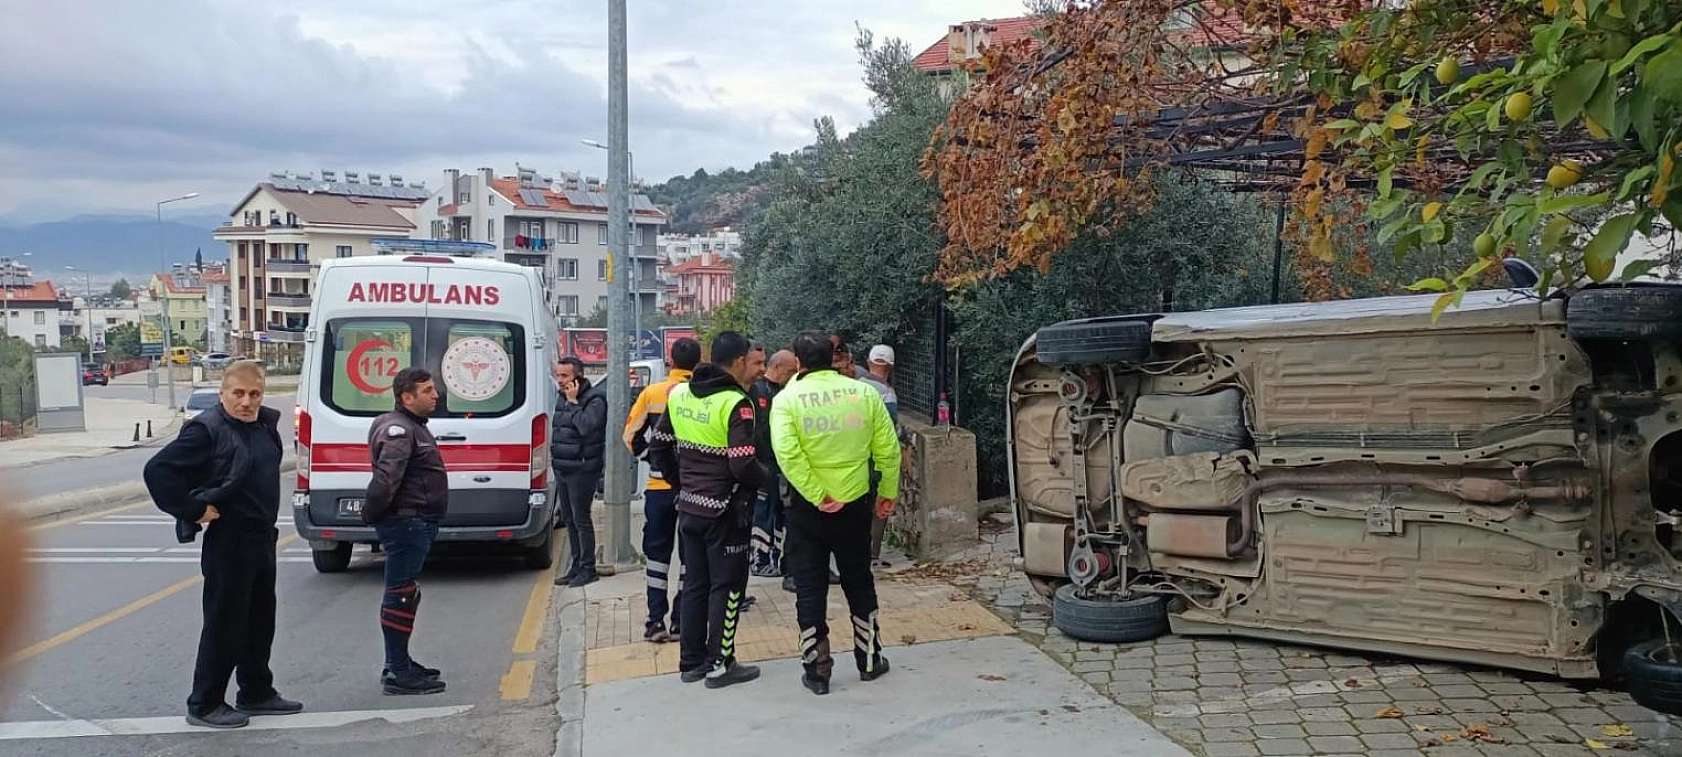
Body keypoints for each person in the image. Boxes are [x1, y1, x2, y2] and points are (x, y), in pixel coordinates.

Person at [143, 360, 301, 728]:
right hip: (229, 541)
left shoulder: (264, 427)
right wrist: (194, 508)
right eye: (238, 394)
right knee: (225, 623)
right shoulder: (206, 430)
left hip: (262, 536)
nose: (246, 401)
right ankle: (205, 703)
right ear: (223, 394)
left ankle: (256, 692)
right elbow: (157, 471)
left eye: (255, 394)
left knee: (259, 622)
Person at [770, 331, 901, 696]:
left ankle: (816, 671)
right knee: (859, 581)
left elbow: (788, 456)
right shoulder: (863, 394)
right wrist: (887, 493)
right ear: (833, 357)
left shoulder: (786, 400)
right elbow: (889, 450)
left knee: (810, 589)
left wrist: (817, 494)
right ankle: (870, 659)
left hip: (807, 510)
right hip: (855, 506)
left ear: (797, 361)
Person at [648, 331, 766, 689]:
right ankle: (720, 663)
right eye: (751, 359)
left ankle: (691, 662)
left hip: (690, 509)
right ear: (739, 361)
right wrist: (772, 481)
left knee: (695, 584)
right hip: (726, 510)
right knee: (728, 586)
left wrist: (680, 484)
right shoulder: (736, 402)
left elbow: (659, 445)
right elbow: (743, 464)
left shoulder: (680, 393)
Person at [362, 367, 449, 696]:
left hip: (415, 522)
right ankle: (398, 672)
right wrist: (372, 514)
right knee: (400, 594)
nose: (435, 395)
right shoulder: (398, 429)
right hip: (406, 522)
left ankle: (400, 662)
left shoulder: (413, 426)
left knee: (406, 593)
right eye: (427, 390)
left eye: (433, 389)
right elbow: (386, 479)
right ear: (406, 397)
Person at [624, 337, 700, 642]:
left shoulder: (652, 393)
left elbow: (630, 436)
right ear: (698, 362)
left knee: (657, 555)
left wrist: (652, 458)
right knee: (690, 555)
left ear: (670, 360)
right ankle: (683, 620)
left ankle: (655, 621)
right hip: (696, 486)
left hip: (659, 486)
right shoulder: (703, 393)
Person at [552, 357, 608, 587]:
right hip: (563, 467)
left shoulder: (594, 400)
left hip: (582, 469)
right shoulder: (562, 397)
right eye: (558, 375)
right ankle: (575, 565)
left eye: (565, 376)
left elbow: (586, 426)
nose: (560, 380)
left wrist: (574, 403)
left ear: (578, 377)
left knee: (581, 518)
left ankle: (588, 568)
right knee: (569, 519)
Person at [750, 348, 799, 580]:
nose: (792, 375)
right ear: (777, 367)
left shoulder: (786, 392)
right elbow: (757, 431)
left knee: (780, 513)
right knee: (764, 512)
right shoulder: (757, 390)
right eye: (790, 371)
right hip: (763, 464)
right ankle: (758, 560)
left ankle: (777, 558)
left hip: (782, 464)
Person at [855, 345, 903, 568]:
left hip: (858, 453)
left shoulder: (857, 387)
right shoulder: (887, 393)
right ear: (891, 366)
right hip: (880, 456)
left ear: (868, 362)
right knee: (880, 504)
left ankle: (857, 552)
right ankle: (872, 555)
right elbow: (891, 426)